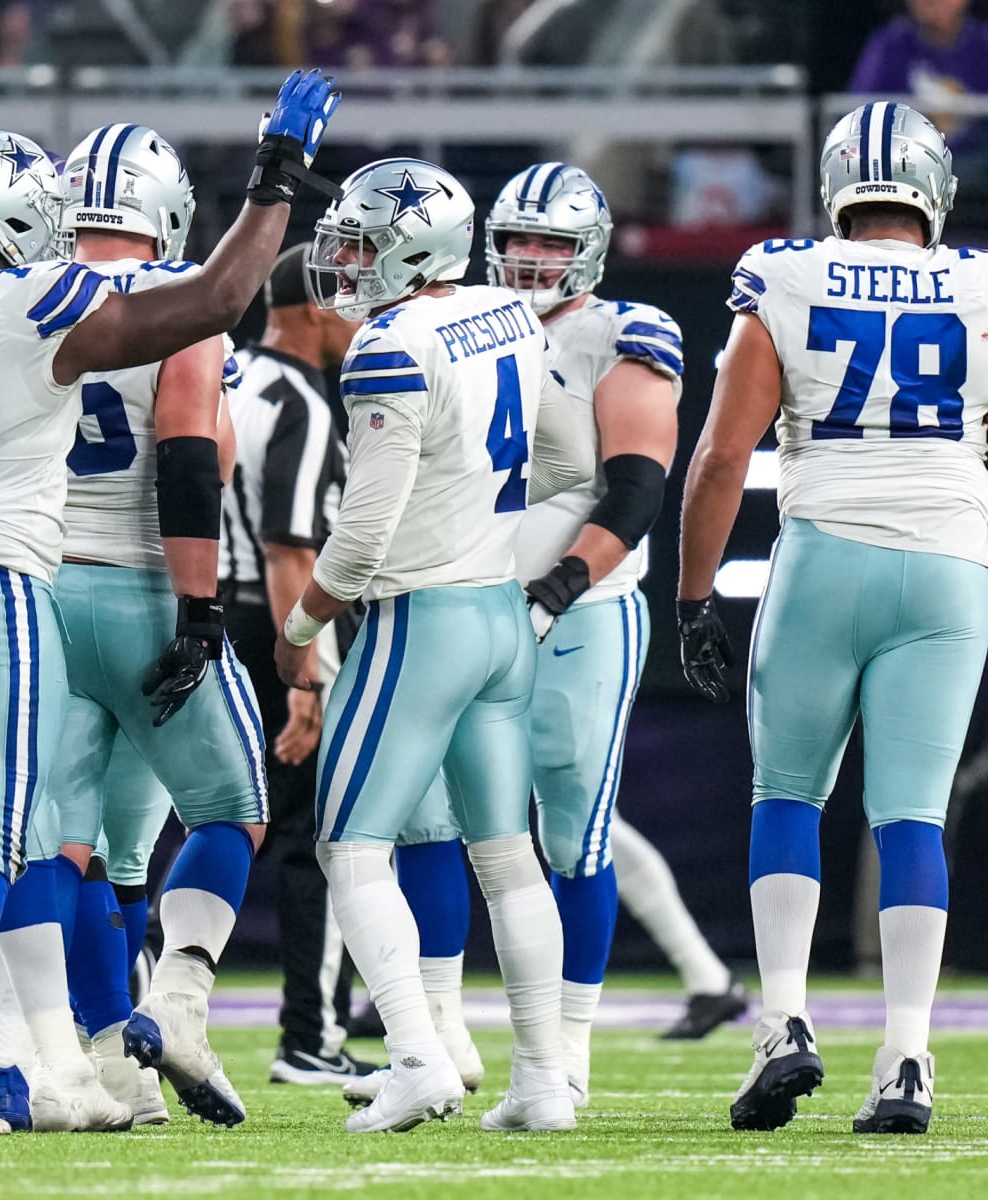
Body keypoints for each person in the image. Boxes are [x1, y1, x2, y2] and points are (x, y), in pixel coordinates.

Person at [0, 70, 341, 1136]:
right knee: (15, 838)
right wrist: (276, 174)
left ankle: (52, 1063)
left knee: (23, 839)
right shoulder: (43, 301)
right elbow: (216, 319)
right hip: (10, 589)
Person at [342, 160, 744, 1113]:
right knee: (433, 821)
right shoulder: (464, 318)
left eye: (551, 244)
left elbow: (638, 484)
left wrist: (561, 584)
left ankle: (564, 1058)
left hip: (581, 613)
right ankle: (437, 1039)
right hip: (463, 601)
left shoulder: (623, 331)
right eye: (517, 241)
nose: (529, 261)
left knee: (572, 836)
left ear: (590, 252)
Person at [678, 101, 988, 1136]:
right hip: (949, 560)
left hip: (824, 556)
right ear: (932, 189)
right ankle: (906, 1058)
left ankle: (786, 1023)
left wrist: (691, 593)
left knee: (788, 796)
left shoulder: (788, 271)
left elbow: (724, 454)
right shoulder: (980, 280)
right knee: (910, 816)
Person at [275, 156, 597, 1134]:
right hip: (501, 615)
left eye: (364, 241)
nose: (348, 258)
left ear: (412, 246)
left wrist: (299, 627)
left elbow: (364, 533)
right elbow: (573, 461)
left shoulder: (387, 343)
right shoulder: (506, 311)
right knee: (508, 857)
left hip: (420, 618)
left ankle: (418, 1054)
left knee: (350, 845)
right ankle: (543, 1083)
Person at [40, 122, 268, 1129]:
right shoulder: (179, 297)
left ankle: (112, 1065)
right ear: (165, 210)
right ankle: (174, 1001)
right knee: (234, 810)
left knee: (76, 845)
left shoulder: (20, 297)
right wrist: (199, 605)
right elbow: (187, 461)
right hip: (140, 585)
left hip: (38, 592)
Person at [220, 242, 377, 1086]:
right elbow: (291, 547)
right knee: (315, 836)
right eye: (351, 302)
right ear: (316, 309)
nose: (361, 320)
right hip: (270, 625)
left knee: (195, 823)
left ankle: (128, 996)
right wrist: (306, 673)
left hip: (198, 613)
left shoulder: (225, 375)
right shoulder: (301, 403)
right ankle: (310, 1036)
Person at [850, 1, 988, 158]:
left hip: (977, 168)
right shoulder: (889, 46)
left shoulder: (983, 44)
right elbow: (859, 116)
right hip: (903, 165)